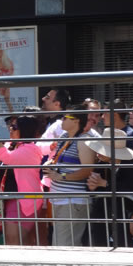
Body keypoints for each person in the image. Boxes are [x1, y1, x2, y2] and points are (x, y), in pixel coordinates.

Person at [83, 128, 133, 247]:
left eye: (103, 149)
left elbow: (128, 187)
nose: (98, 152)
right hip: (108, 212)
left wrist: (104, 183)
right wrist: (91, 186)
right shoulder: (101, 164)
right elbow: (93, 185)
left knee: (126, 243)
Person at [43, 104, 96, 246]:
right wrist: (50, 164)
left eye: (65, 117)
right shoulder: (64, 137)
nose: (62, 120)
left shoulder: (84, 141)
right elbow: (58, 159)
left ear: (76, 121)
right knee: (62, 244)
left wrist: (61, 177)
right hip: (60, 200)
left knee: (64, 246)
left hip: (73, 202)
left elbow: (87, 170)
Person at [0, 115, 43, 245]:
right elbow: (0, 153)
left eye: (14, 126)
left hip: (24, 200)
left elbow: (6, 158)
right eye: (11, 126)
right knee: (19, 241)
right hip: (16, 199)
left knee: (14, 240)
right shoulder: (17, 145)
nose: (10, 129)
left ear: (24, 130)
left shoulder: (28, 149)